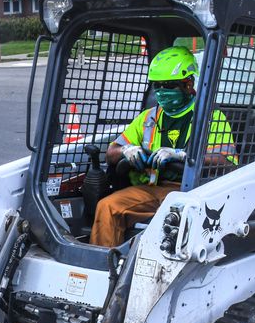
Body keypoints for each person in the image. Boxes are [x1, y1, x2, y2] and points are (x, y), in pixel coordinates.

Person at [89, 46, 237, 248]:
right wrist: (126, 150)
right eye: (157, 86)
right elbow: (111, 153)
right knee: (107, 206)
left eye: (168, 85)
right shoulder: (148, 117)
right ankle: (103, 270)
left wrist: (182, 156)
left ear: (188, 84)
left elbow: (227, 162)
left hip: (192, 193)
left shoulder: (210, 117)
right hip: (151, 188)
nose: (161, 92)